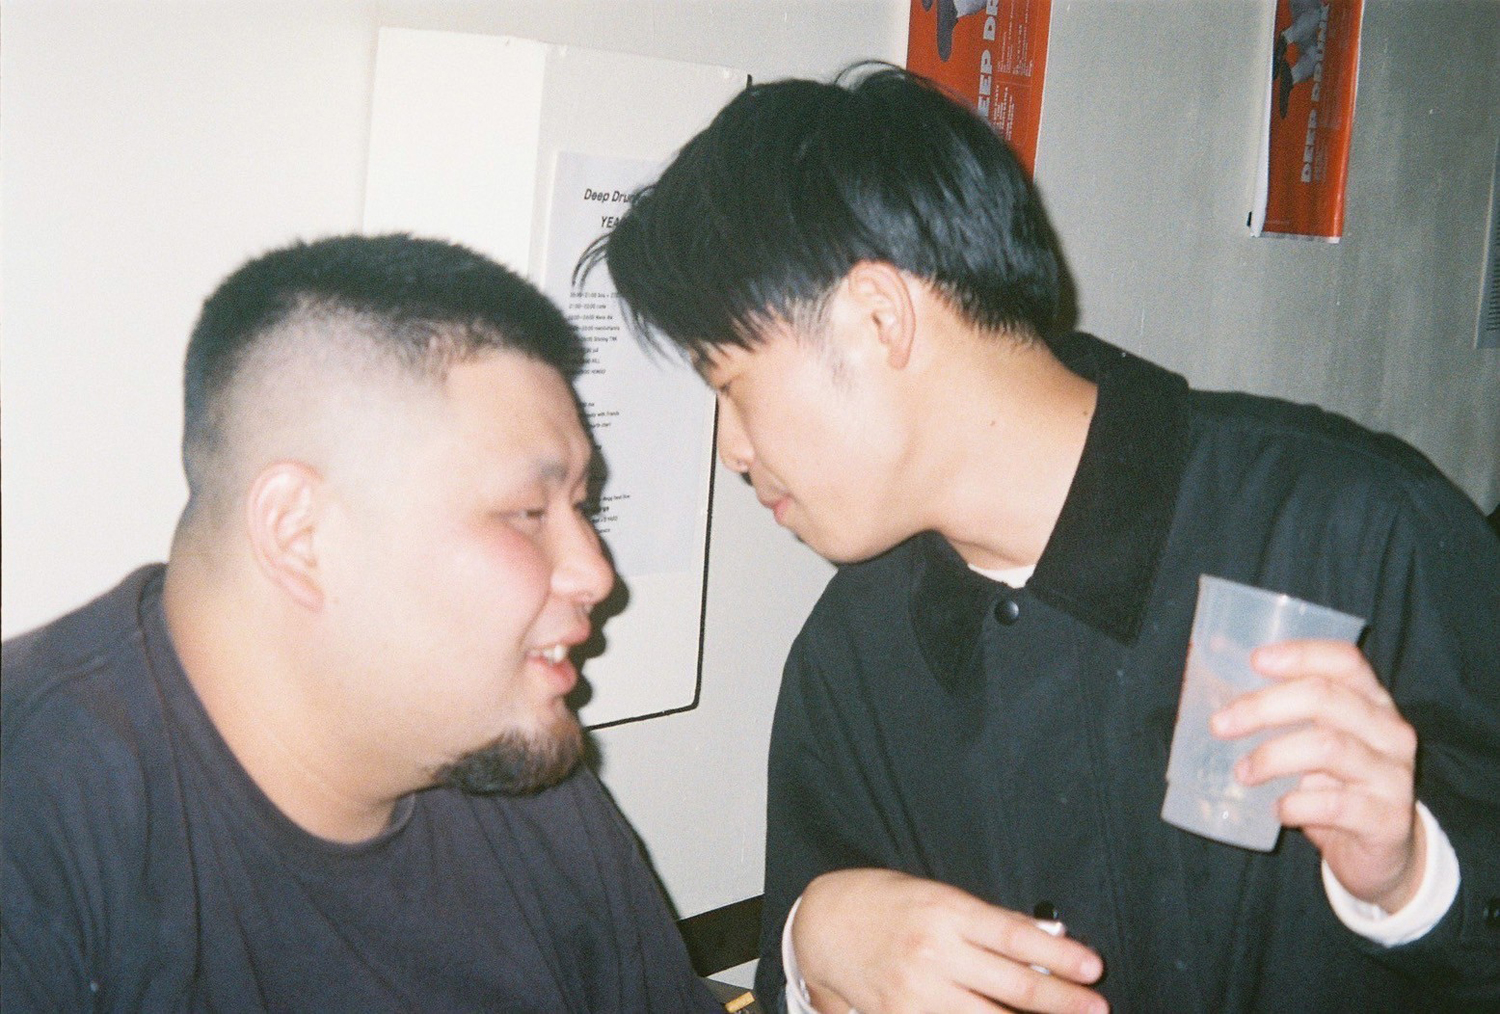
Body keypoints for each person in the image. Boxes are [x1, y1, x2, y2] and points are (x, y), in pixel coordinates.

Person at [592, 66, 1500, 1012]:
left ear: (879, 317)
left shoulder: (1351, 529)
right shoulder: (849, 656)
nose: (732, 450)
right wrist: (807, 948)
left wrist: (1410, 881)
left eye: (729, 383)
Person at [1, 234, 722, 1012]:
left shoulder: (516, 760)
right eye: (526, 512)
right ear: (300, 535)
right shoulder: (37, 823)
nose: (595, 574)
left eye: (580, 507)